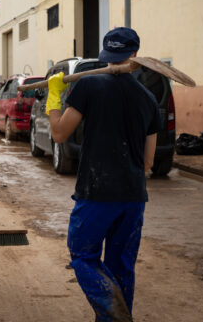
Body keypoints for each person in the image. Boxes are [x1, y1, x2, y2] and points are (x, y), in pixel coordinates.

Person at [47, 27, 160, 322]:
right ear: (135, 53)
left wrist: (53, 98)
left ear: (105, 55)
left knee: (83, 256)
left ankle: (112, 315)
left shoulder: (89, 86)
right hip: (133, 196)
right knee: (121, 267)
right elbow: (148, 161)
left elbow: (59, 134)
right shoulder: (148, 98)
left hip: (97, 192)